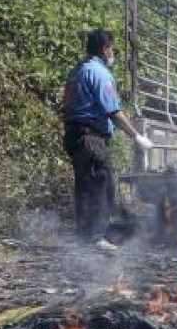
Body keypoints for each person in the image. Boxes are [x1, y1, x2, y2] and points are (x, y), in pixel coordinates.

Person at [63, 29, 154, 250]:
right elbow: (113, 111)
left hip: (74, 135)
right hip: (90, 138)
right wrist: (136, 136)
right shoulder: (99, 73)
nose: (112, 53)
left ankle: (84, 236)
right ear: (105, 49)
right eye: (112, 48)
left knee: (85, 187)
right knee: (102, 187)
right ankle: (95, 238)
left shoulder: (77, 70)